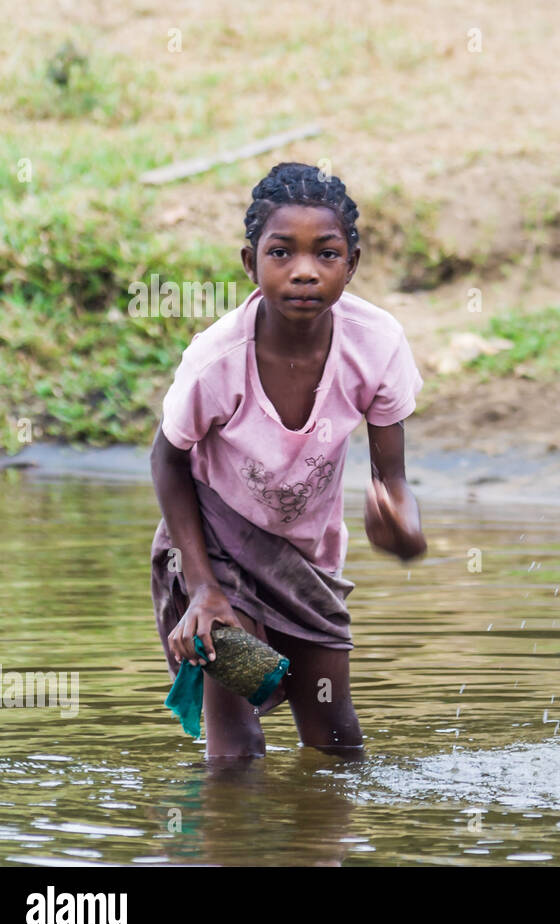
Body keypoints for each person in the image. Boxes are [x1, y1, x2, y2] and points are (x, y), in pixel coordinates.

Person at [149, 162, 428, 759]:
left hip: (308, 560)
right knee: (238, 743)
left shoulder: (375, 344)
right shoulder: (217, 359)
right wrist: (200, 588)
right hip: (214, 545)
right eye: (282, 252)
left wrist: (405, 528)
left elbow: (391, 478)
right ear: (250, 263)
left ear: (351, 263)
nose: (304, 270)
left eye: (326, 254)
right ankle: (232, 848)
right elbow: (167, 460)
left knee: (336, 741)